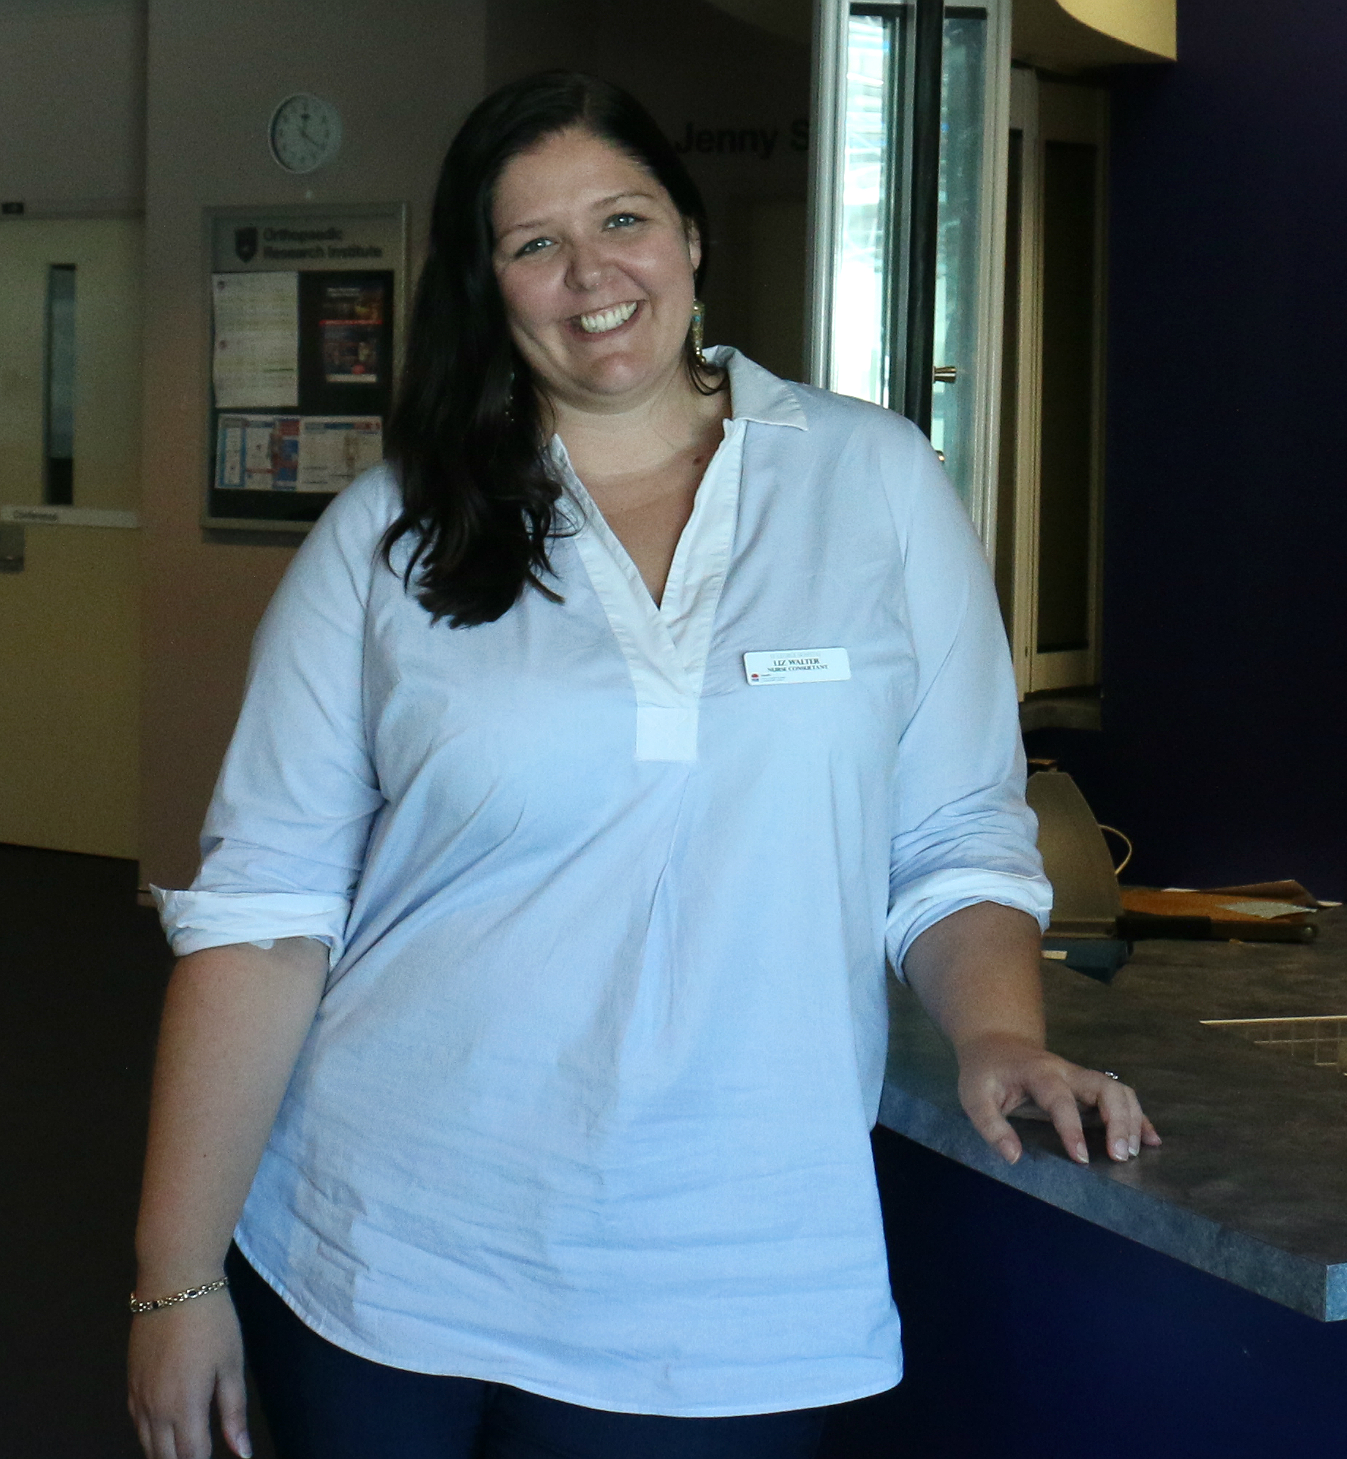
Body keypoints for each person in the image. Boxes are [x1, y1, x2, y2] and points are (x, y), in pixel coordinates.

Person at [127, 71, 1156, 1459]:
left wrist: (996, 1031)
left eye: (623, 219)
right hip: (383, 1241)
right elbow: (259, 921)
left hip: (727, 1273)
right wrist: (174, 1280)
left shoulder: (872, 479)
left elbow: (956, 832)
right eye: (532, 243)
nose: (589, 274)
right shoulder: (391, 536)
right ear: (487, 287)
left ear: (689, 237)